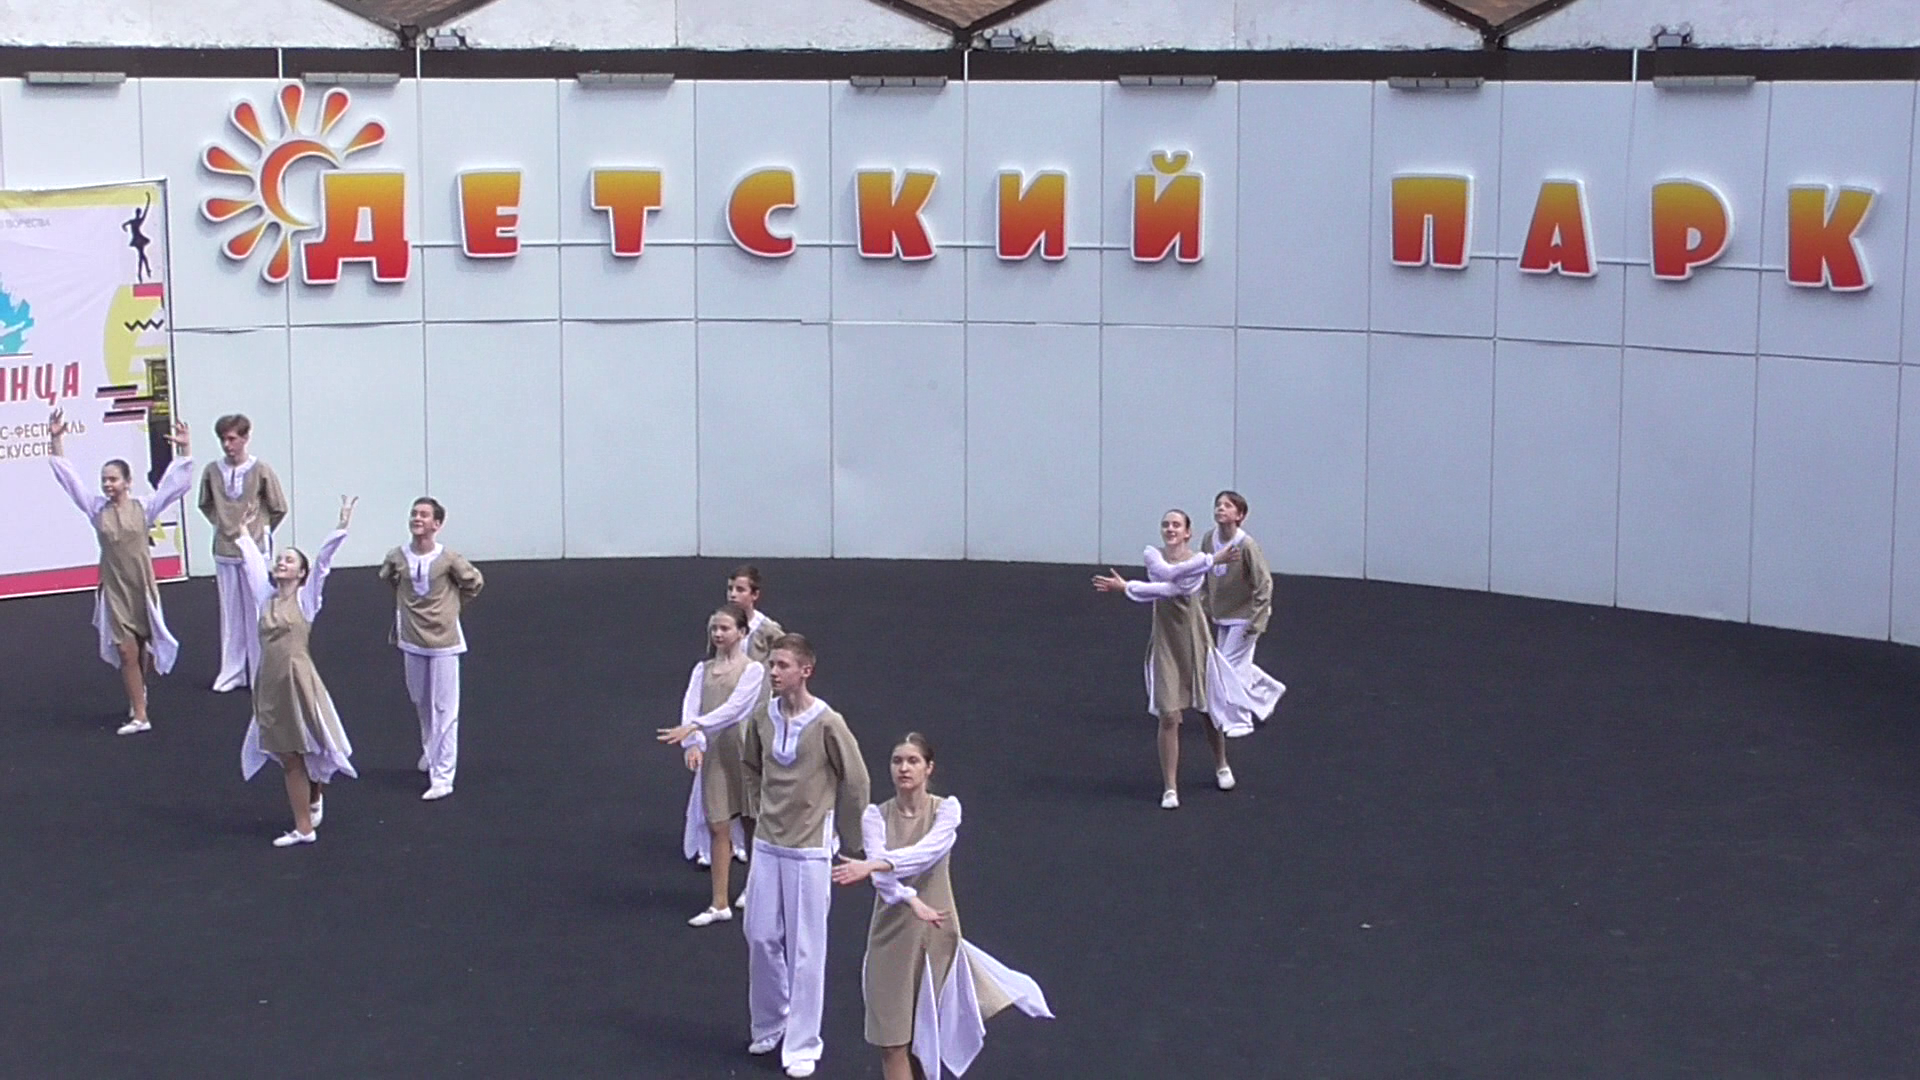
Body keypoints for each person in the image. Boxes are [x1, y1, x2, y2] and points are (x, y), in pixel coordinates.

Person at [832, 733, 1053, 1080]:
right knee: (891, 1042)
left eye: (913, 761)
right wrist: (911, 899)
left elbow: (926, 852)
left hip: (936, 935)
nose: (904, 768)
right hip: (890, 938)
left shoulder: (947, 810)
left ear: (929, 767)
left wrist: (874, 864)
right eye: (897, 761)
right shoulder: (875, 816)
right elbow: (885, 884)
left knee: (926, 1039)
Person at [740, 633, 871, 1079]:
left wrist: (849, 837)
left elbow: (856, 780)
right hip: (768, 844)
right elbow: (751, 764)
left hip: (810, 850)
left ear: (805, 671)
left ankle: (803, 1043)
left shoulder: (828, 723)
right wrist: (757, 809)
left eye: (782, 665)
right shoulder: (763, 716)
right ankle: (771, 1020)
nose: (773, 672)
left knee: (806, 949)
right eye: (771, 665)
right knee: (759, 935)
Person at [1092, 509, 1254, 809]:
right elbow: (1166, 577)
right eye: (1166, 524)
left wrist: (1127, 587)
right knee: (1169, 714)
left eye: (1176, 525)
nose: (1170, 529)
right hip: (1166, 643)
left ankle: (1221, 764)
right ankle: (1170, 787)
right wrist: (1212, 560)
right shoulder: (1153, 555)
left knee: (1209, 708)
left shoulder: (1197, 562)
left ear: (1187, 532)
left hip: (1195, 640)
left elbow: (1177, 586)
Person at [45, 407, 191, 735]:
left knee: (143, 647)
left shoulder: (144, 507)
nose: (108, 484)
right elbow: (69, 481)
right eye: (105, 480)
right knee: (126, 650)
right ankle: (140, 715)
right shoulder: (96, 508)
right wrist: (56, 441)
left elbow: (175, 486)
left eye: (113, 479)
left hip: (141, 585)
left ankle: (140, 691)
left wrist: (184, 449)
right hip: (114, 589)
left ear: (127, 482)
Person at [235, 497, 358, 847]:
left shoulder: (306, 600)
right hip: (271, 684)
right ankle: (306, 821)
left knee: (309, 747)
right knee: (289, 754)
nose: (281, 562)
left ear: (301, 573)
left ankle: (307, 818)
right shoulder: (266, 598)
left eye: (289, 560)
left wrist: (341, 527)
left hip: (299, 681)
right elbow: (252, 566)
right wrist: (243, 530)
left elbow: (323, 565)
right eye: (280, 559)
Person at [657, 602, 766, 926]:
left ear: (741, 632)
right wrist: (692, 742)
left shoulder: (753, 670)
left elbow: (735, 708)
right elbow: (690, 706)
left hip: (744, 752)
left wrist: (696, 726)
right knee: (718, 824)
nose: (718, 634)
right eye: (714, 628)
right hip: (716, 754)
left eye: (725, 628)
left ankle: (755, 887)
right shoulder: (702, 670)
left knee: (751, 820)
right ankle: (719, 902)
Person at [377, 497, 484, 801]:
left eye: (424, 515)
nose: (417, 518)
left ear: (436, 524)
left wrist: (451, 609)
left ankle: (443, 775)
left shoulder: (448, 559)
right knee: (420, 700)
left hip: (444, 642)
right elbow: (389, 578)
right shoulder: (397, 557)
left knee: (444, 708)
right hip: (411, 639)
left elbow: (474, 583)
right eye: (414, 513)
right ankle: (430, 749)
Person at [197, 413, 288, 693]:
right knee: (230, 612)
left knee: (257, 610)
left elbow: (279, 506)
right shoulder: (212, 471)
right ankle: (232, 671)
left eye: (232, 438)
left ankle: (260, 671)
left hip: (254, 550)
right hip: (224, 550)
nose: (227, 445)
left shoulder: (261, 470)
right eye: (223, 439)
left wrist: (260, 530)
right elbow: (205, 504)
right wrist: (223, 525)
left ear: (246, 438)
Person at [1199, 490, 1285, 730]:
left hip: (1245, 616)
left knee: (1226, 669)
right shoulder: (1209, 539)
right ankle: (1267, 691)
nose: (1220, 509)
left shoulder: (1246, 545)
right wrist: (1204, 605)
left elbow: (1263, 583)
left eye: (1227, 506)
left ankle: (1241, 720)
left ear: (1240, 515)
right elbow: (1205, 573)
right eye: (1218, 504)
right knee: (1230, 666)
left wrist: (1256, 621)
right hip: (1222, 614)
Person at [727, 565, 784, 662]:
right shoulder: (721, 625)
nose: (733, 594)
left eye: (740, 590)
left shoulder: (769, 630)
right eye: (730, 589)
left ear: (755, 594)